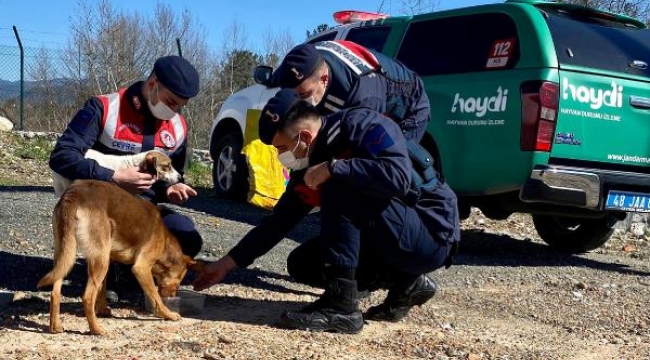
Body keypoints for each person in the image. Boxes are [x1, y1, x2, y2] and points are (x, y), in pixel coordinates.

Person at [193, 89, 460, 334]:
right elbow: (278, 223)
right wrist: (226, 264)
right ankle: (406, 282)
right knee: (304, 264)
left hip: (431, 235)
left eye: (282, 148)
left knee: (338, 184)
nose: (280, 156)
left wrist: (335, 168)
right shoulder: (310, 161)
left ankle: (341, 308)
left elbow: (398, 177)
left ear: (305, 137)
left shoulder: (362, 125)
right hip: (392, 238)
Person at [49, 55, 203, 301]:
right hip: (99, 210)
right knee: (106, 233)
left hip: (141, 213)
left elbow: (170, 177)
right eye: (170, 102)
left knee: (185, 235)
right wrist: (113, 177)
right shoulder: (104, 108)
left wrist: (171, 190)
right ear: (153, 83)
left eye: (179, 106)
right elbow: (61, 157)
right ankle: (105, 273)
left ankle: (131, 270)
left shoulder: (178, 127)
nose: (173, 111)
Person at [270, 40, 430, 143]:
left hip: (409, 106)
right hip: (363, 88)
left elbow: (360, 147)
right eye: (295, 95)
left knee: (387, 165)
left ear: (324, 80)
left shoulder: (362, 92)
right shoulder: (290, 71)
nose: (301, 102)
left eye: (304, 95)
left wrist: (330, 167)